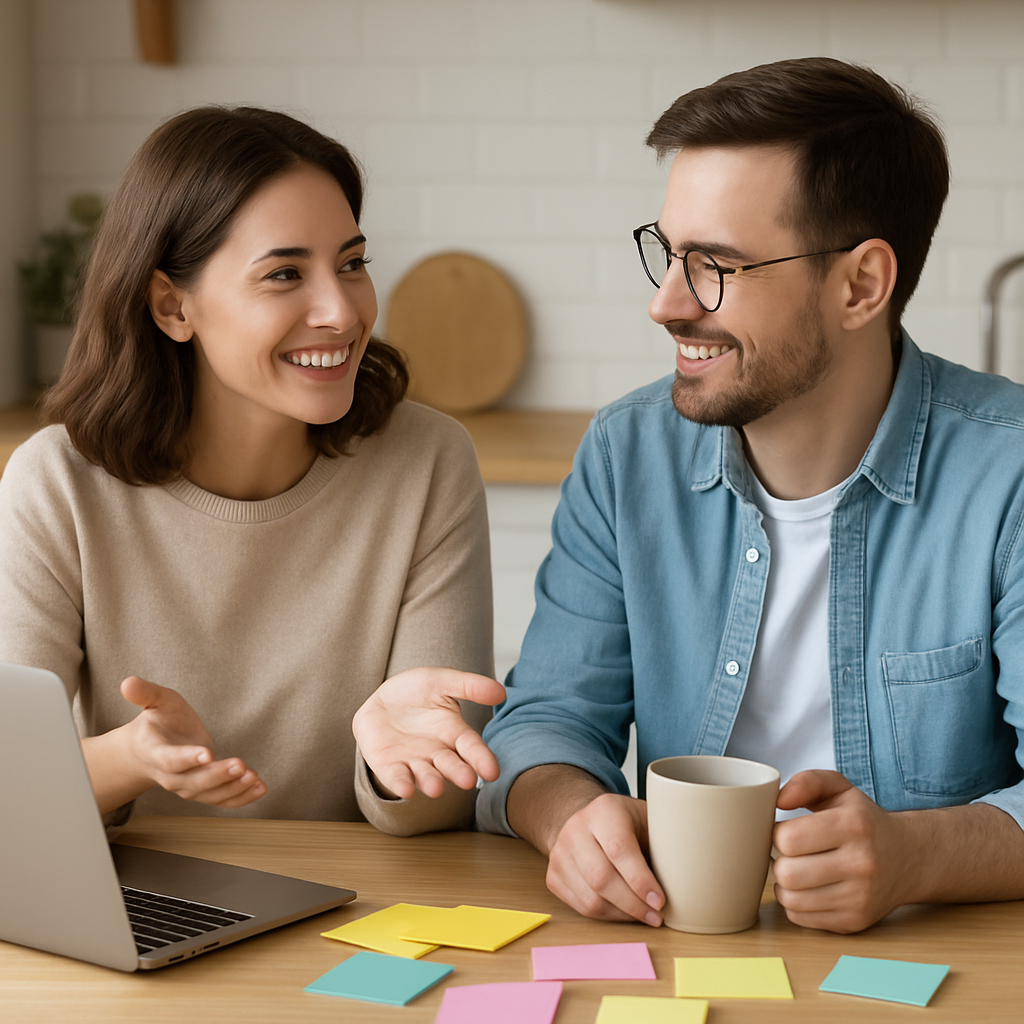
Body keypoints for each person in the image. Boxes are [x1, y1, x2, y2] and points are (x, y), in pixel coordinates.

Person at [471, 57, 1024, 934]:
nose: (666, 304)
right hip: (678, 950)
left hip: (933, 966)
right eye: (667, 253)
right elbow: (546, 722)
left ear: (860, 285)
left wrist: (920, 855)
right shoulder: (628, 455)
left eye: (715, 265)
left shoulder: (1011, 474)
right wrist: (568, 816)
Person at [0, 106, 504, 835]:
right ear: (173, 306)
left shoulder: (427, 463)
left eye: (352, 264)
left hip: (357, 909)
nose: (340, 310)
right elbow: (14, 786)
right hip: (137, 900)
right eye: (284, 274)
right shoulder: (57, 484)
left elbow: (439, 812)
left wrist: (409, 763)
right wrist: (133, 759)